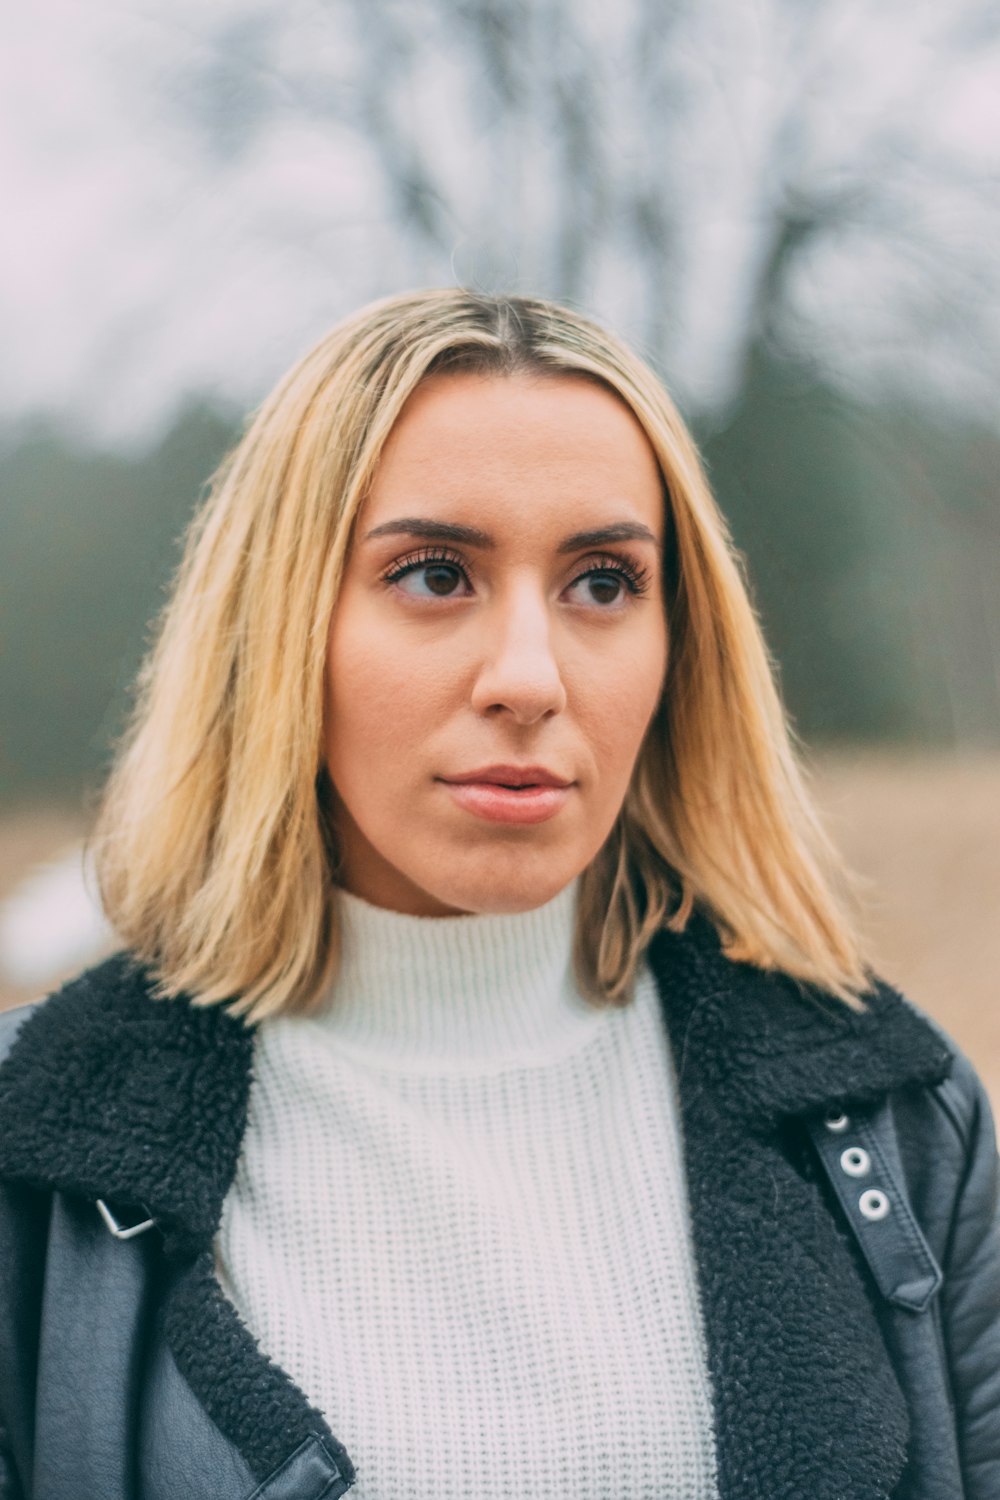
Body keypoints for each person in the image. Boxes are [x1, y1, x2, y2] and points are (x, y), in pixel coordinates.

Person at [0, 289, 997, 1500]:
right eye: (433, 574)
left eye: (602, 584)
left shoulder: (899, 1122)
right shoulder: (34, 1161)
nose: (528, 677)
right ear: (277, 628)